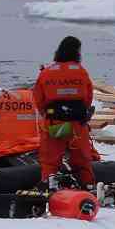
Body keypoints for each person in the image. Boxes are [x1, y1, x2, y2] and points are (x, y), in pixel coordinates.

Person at [33, 36, 95, 191]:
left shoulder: (46, 73)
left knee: (50, 159)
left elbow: (38, 99)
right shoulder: (81, 72)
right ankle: (88, 187)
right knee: (81, 159)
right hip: (77, 123)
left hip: (56, 122)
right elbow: (88, 97)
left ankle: (49, 187)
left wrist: (47, 114)